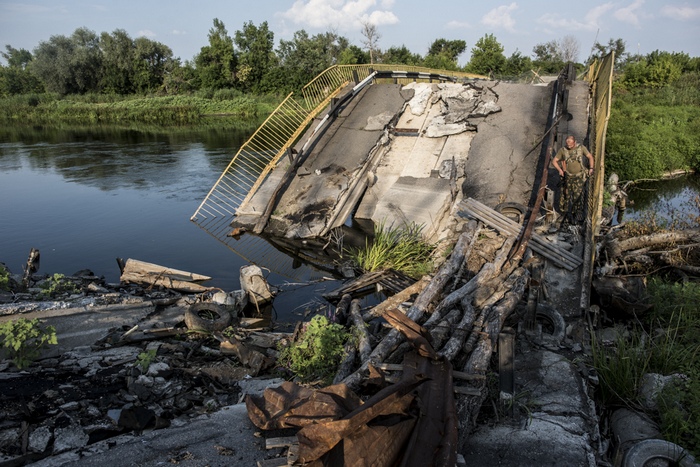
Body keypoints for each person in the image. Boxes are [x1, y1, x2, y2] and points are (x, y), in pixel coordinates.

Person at [552, 135, 594, 224]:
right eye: (568, 144)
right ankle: (565, 213)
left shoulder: (581, 148)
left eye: (571, 144)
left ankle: (575, 215)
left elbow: (590, 156)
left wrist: (591, 168)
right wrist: (560, 170)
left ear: (574, 142)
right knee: (566, 195)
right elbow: (554, 161)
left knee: (577, 196)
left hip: (579, 177)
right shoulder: (563, 150)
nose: (569, 146)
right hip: (568, 177)